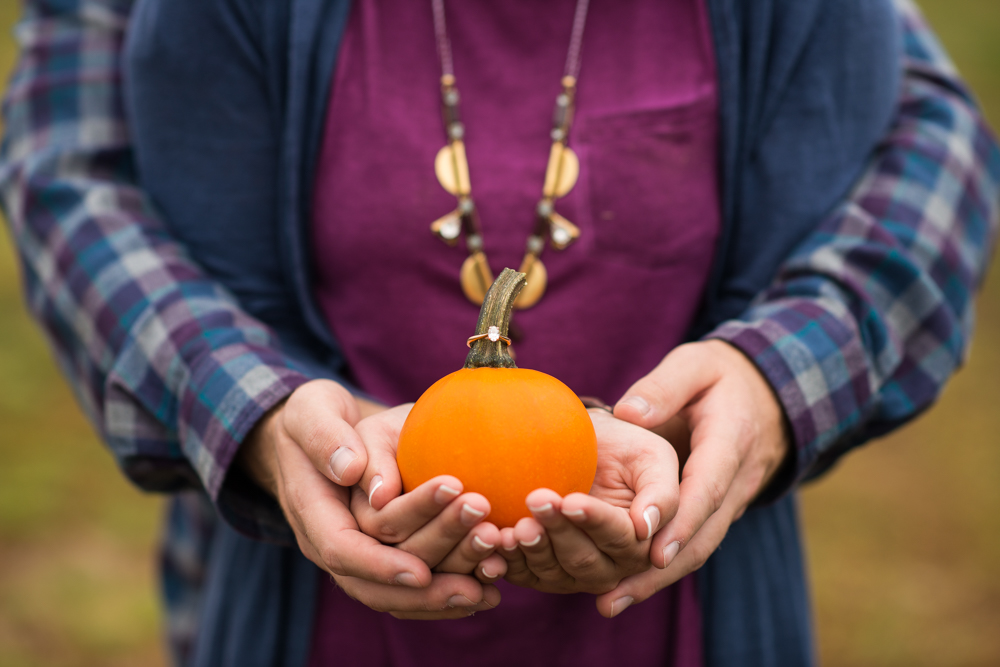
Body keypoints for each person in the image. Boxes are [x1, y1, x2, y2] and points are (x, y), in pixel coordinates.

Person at [1, 0, 997, 665]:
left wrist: (779, 379)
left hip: (688, 611)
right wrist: (251, 409)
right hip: (302, 605)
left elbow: (934, 143)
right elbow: (69, 176)